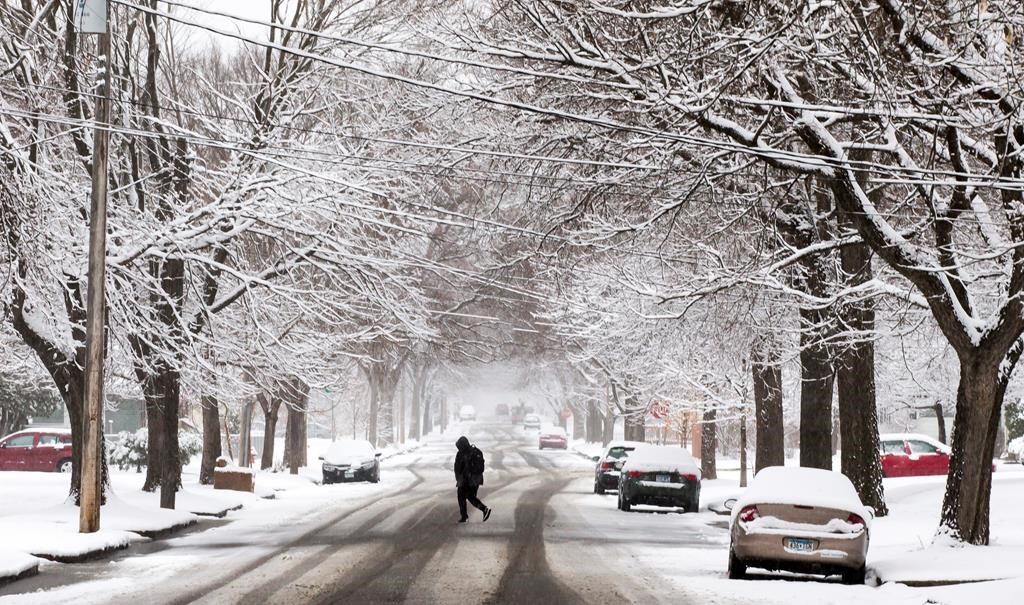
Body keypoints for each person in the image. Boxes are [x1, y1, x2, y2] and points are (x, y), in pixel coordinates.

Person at [454, 436, 492, 523]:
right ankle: (465, 516)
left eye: (460, 447)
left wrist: (470, 475)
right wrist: (459, 478)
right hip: (464, 480)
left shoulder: (474, 453)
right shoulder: (460, 454)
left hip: (473, 480)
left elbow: (480, 468)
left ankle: (483, 509)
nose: (459, 449)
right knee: (462, 496)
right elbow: (457, 467)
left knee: (469, 496)